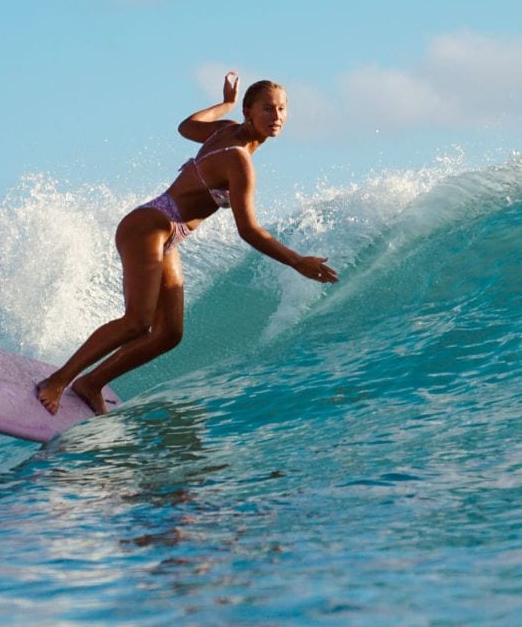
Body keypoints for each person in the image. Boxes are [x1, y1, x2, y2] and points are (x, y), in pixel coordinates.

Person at [36, 71, 339, 416]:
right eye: (268, 109)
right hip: (150, 225)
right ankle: (58, 380)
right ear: (248, 112)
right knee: (138, 321)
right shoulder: (238, 157)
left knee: (168, 333)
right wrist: (297, 261)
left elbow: (187, 126)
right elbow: (249, 230)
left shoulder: (224, 131)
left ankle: (92, 383)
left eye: (283, 109)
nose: (277, 117)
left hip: (168, 234)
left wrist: (223, 104)